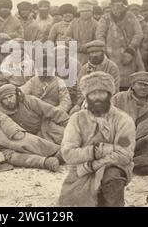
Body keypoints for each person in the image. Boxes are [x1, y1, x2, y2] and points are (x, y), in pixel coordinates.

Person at [58, 71, 135, 207]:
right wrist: (98, 151)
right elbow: (68, 153)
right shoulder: (77, 119)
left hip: (108, 168)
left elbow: (124, 154)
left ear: (109, 94)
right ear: (86, 96)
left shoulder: (124, 121)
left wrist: (93, 165)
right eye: (93, 93)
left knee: (112, 176)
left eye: (102, 92)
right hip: (81, 173)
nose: (97, 97)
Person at [96, 0, 145, 90]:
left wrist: (130, 50)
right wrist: (103, 51)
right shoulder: (105, 18)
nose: (117, 7)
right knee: (112, 80)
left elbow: (139, 34)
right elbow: (99, 35)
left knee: (132, 80)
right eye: (115, 5)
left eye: (120, 5)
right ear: (111, 6)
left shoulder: (131, 17)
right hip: (110, 54)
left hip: (130, 53)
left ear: (124, 5)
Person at [0, 84, 69, 145]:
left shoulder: (29, 100)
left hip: (45, 126)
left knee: (66, 138)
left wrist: (68, 123)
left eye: (11, 96)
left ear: (17, 95)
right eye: (4, 99)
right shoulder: (0, 112)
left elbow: (52, 111)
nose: (9, 100)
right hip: (27, 137)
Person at [72, 40, 120, 114]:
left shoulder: (112, 67)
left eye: (97, 52)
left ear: (103, 52)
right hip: (88, 100)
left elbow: (115, 89)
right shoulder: (84, 68)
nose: (94, 55)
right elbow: (79, 88)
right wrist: (80, 103)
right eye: (91, 53)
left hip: (107, 100)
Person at [64, 0, 98, 65]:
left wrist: (87, 48)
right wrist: (79, 47)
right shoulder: (73, 23)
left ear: (91, 11)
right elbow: (66, 38)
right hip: (75, 55)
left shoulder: (96, 25)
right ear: (79, 12)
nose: (85, 13)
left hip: (91, 56)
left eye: (87, 11)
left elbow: (98, 41)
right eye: (82, 11)